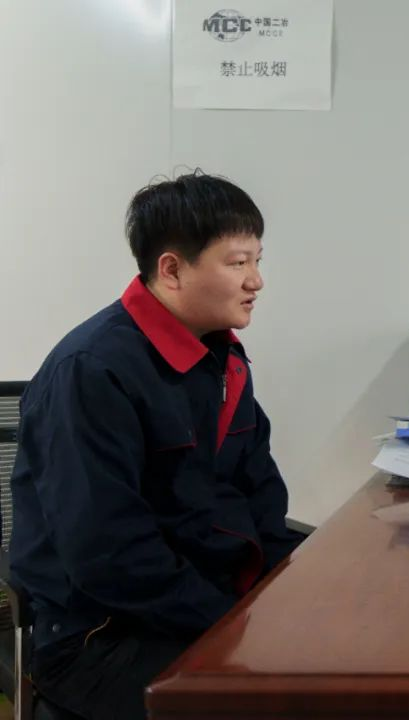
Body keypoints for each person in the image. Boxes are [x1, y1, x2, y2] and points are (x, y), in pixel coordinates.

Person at [10, 172, 306, 719]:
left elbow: (260, 493)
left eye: (257, 260)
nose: (256, 281)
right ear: (171, 269)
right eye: (237, 263)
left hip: (202, 605)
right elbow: (108, 554)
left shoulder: (222, 358)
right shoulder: (93, 372)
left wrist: (295, 593)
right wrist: (231, 623)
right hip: (102, 634)